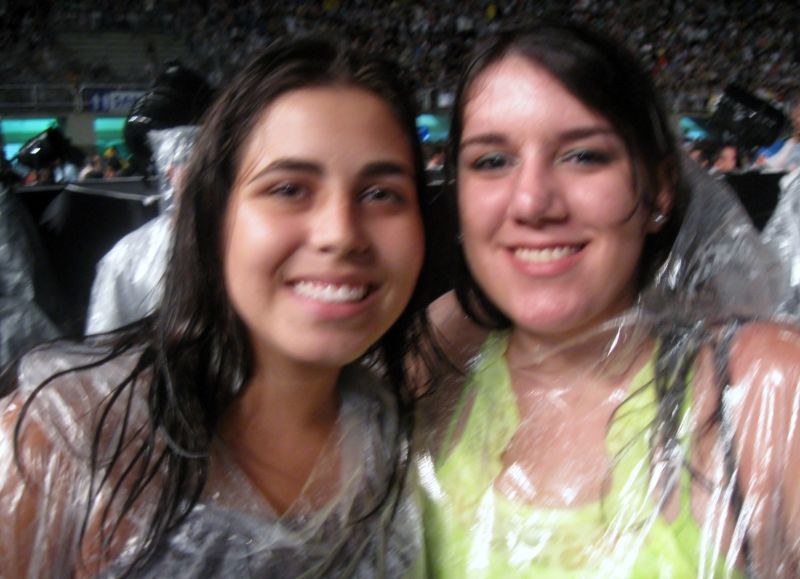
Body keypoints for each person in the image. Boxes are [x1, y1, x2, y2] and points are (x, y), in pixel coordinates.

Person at [0, 36, 441, 577]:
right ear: (214, 217)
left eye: (380, 194)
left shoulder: (405, 444)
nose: (341, 234)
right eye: (289, 189)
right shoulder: (61, 440)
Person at [419, 22, 800, 577]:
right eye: (492, 161)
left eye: (583, 156)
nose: (532, 201)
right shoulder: (431, 368)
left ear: (659, 189)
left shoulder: (764, 388)